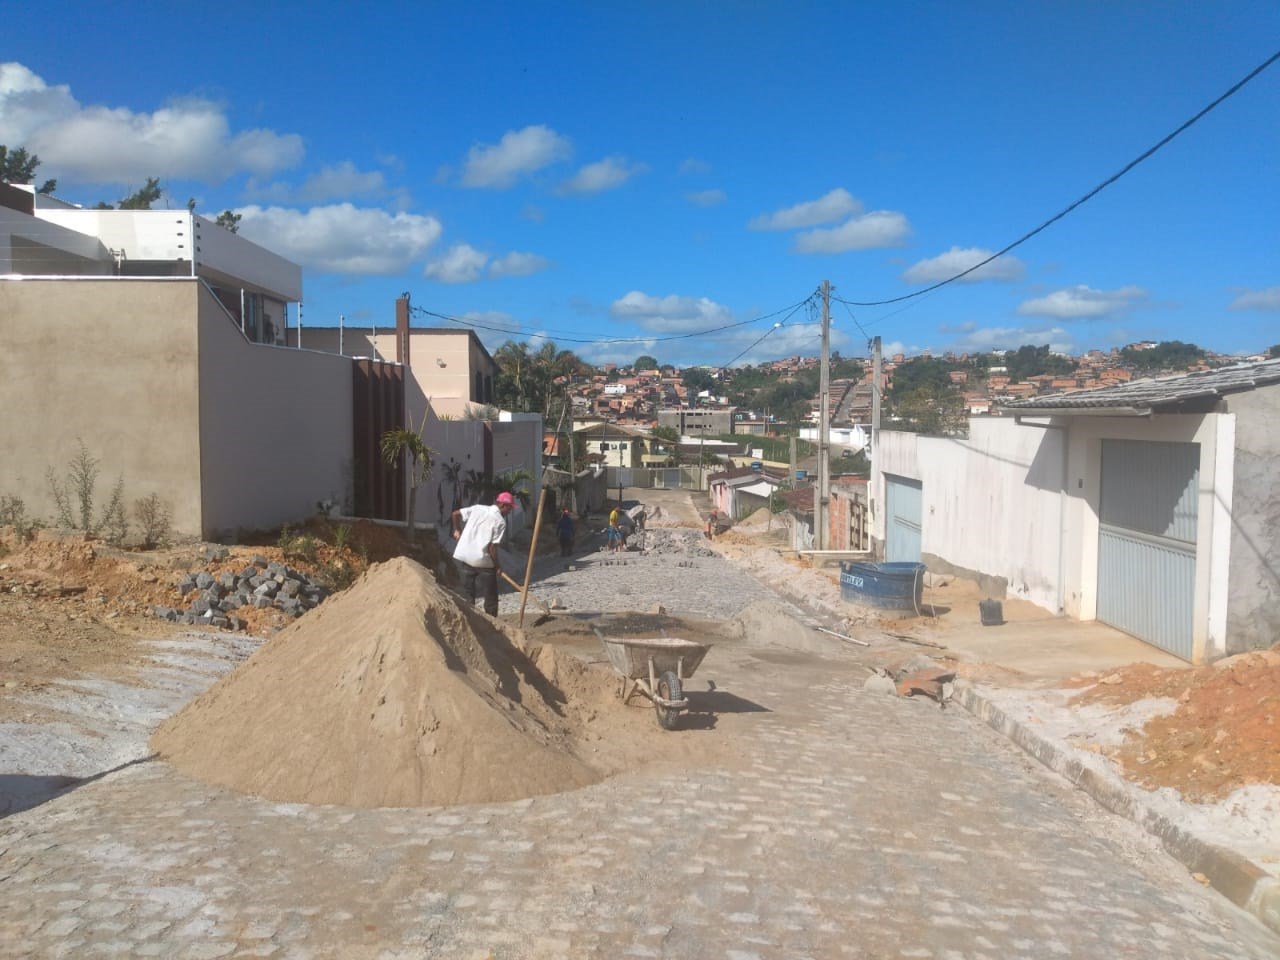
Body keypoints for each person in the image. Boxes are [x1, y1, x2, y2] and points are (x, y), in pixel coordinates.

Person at [450, 491, 516, 616]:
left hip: (467, 557)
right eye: (510, 508)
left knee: (468, 593)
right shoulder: (500, 522)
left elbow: (455, 514)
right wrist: (497, 566)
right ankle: (492, 623)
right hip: (483, 561)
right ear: (502, 505)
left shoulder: (477, 508)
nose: (510, 511)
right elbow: (492, 548)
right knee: (490, 595)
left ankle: (468, 618)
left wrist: (457, 529)